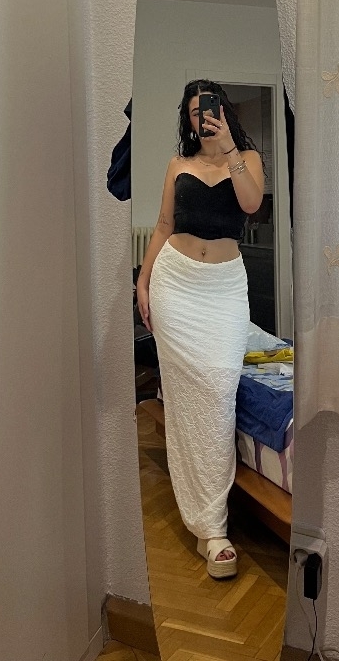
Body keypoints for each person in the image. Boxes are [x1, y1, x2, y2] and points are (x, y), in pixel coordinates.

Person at [135, 80, 265, 580]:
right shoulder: (177, 165)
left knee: (218, 384)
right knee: (187, 393)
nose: (201, 117)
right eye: (193, 112)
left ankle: (207, 509)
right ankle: (212, 530)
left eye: (208, 108)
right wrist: (143, 281)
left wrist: (228, 147)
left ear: (224, 111)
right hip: (175, 283)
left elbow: (250, 204)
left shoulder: (246, 159)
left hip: (224, 287)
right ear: (187, 120)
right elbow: (163, 225)